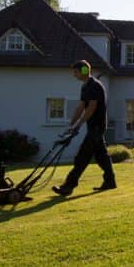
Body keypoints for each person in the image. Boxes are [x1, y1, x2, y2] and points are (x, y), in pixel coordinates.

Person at [53, 60, 116, 195]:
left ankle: (69, 186)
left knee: (83, 156)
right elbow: (81, 107)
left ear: (84, 71)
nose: (74, 75)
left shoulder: (95, 86)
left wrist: (78, 125)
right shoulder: (85, 87)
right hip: (92, 127)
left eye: (76, 72)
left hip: (97, 126)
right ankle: (110, 182)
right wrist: (71, 125)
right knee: (101, 156)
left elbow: (91, 108)